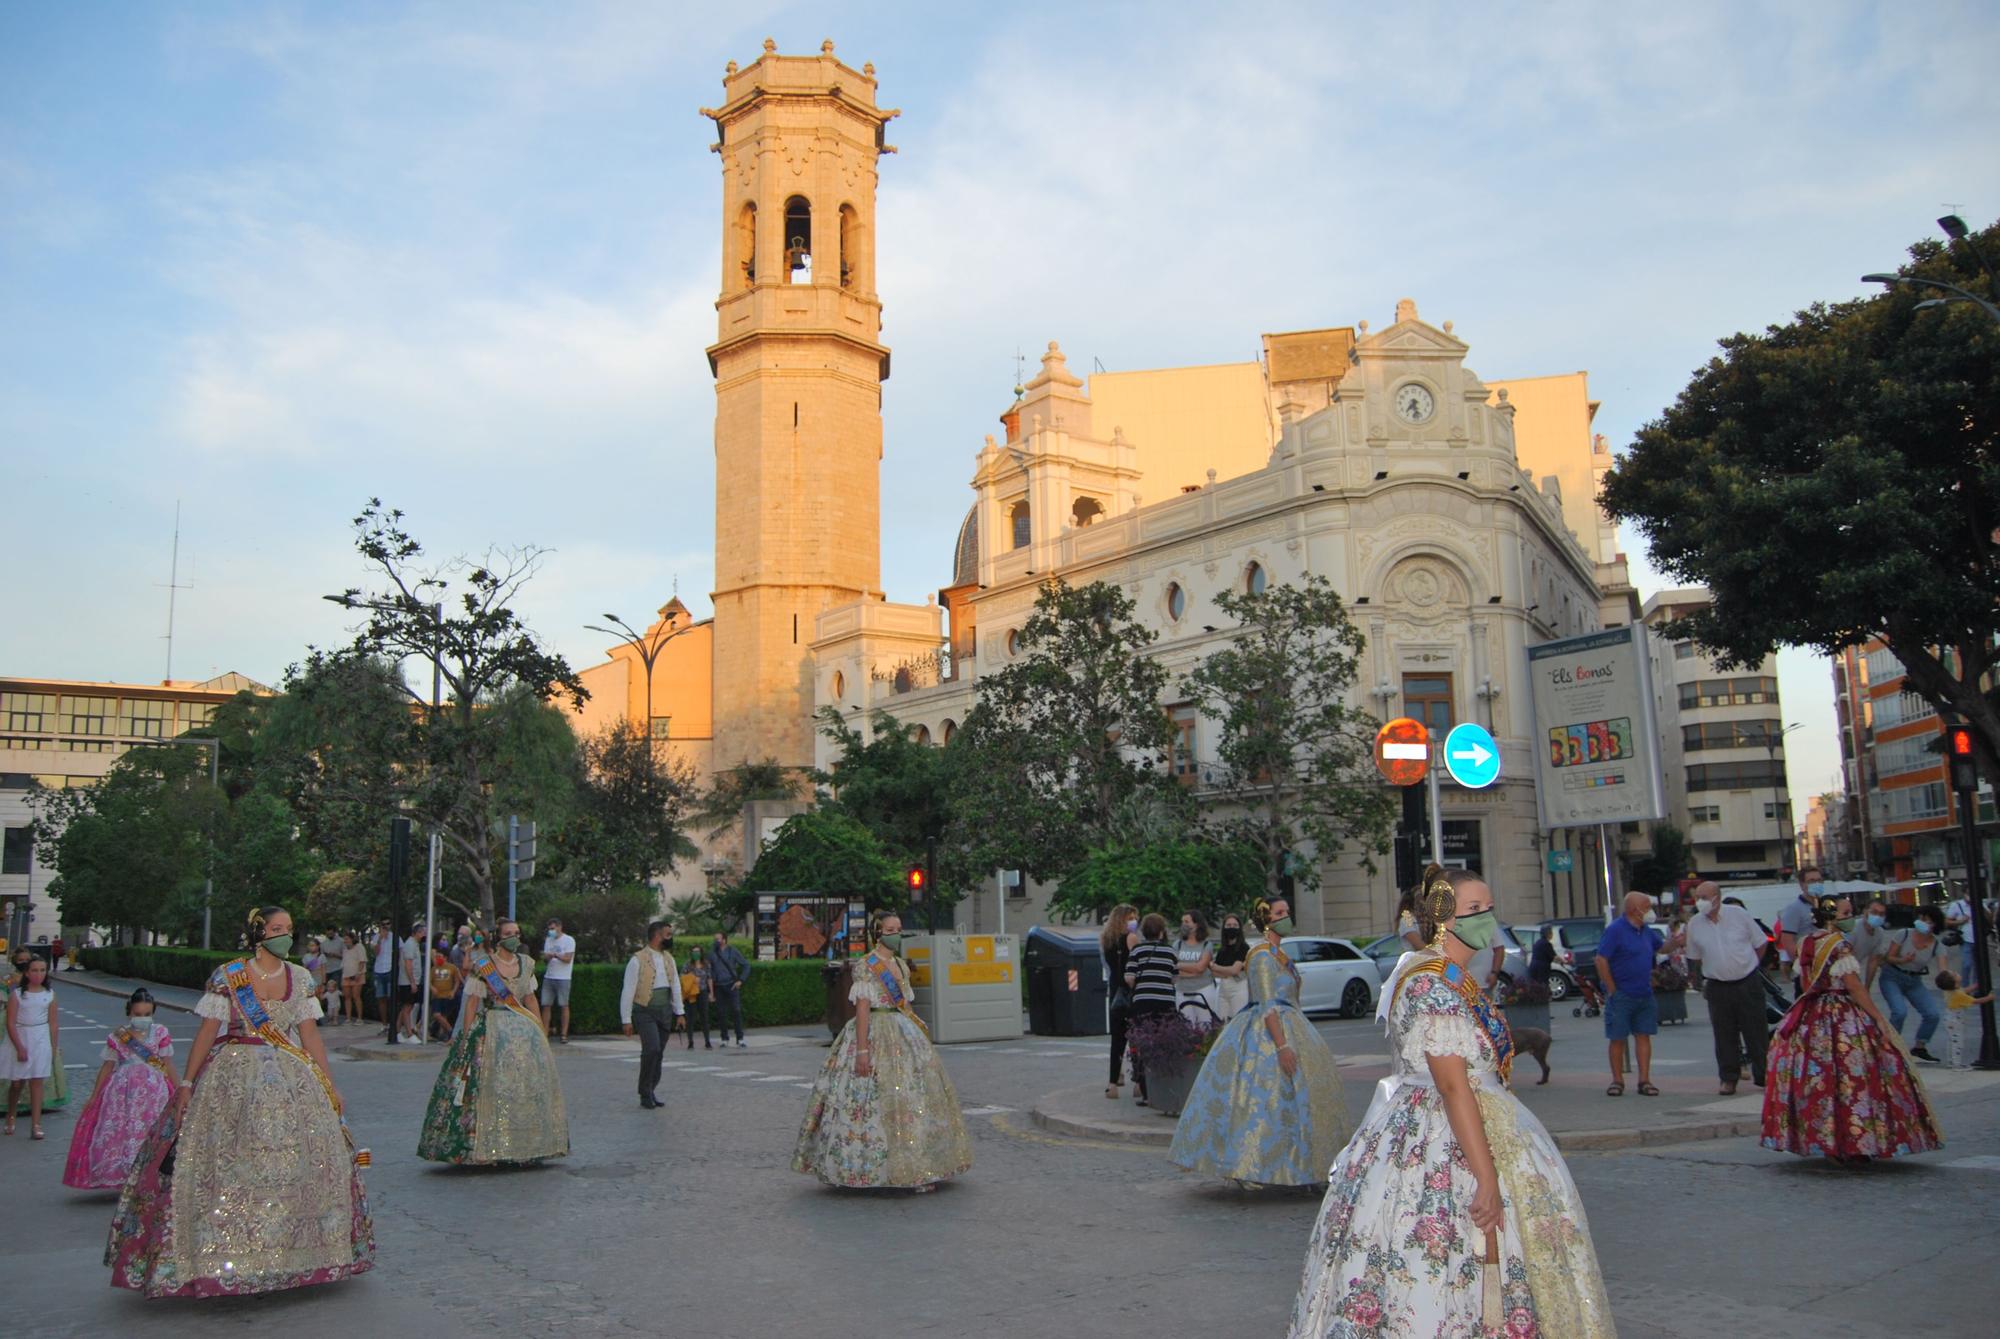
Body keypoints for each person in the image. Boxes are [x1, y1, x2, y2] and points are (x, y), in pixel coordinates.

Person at [1290, 866, 1614, 1337]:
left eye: (1489, 907)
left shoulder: (1448, 976)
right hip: (1439, 1135)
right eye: (1474, 910)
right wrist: (1485, 1178)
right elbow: (1453, 1086)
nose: (1487, 918)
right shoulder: (1431, 983)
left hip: (1467, 1118)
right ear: (1443, 917)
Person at [108, 906, 374, 1297]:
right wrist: (185, 1082)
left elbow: (310, 1037)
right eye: (277, 928)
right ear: (259, 933)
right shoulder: (229, 976)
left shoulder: (299, 978)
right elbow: (206, 1032)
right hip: (232, 1075)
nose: (286, 935)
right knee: (226, 1163)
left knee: (300, 1163)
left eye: (289, 929)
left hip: (291, 1077)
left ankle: (292, 1251)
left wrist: (329, 1085)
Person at [1170, 896, 1349, 1186]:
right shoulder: (1263, 956)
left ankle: (1300, 1165)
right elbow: (1268, 1005)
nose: (1287, 917)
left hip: (1294, 1025)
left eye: (1288, 911)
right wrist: (1282, 1045)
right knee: (1261, 1101)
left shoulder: (1280, 955)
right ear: (1267, 919)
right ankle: (1255, 1167)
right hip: (1269, 1031)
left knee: (1294, 1104)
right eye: (1280, 913)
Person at [792, 912, 972, 1190]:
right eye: (890, 929)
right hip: (874, 1029)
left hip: (902, 1030)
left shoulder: (900, 964)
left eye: (899, 928)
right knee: (865, 1100)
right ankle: (859, 1168)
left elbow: (905, 1004)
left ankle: (919, 1165)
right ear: (878, 932)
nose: (896, 933)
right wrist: (862, 1051)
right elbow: (862, 1008)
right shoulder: (866, 966)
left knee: (913, 1098)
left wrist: (917, 1028)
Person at [1761, 904, 1942, 1165]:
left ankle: (1822, 1138)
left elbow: (1805, 981)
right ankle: (1856, 1139)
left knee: (1815, 1076)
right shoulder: (1839, 945)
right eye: (1845, 914)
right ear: (1832, 918)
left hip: (1812, 1013)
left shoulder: (1807, 942)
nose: (1850, 918)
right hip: (1841, 1012)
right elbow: (1855, 987)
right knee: (1857, 1074)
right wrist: (1878, 1017)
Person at [418, 919, 569, 1165]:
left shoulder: (526, 964)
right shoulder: (484, 965)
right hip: (490, 1028)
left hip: (523, 1032)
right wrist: (466, 1037)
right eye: (509, 934)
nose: (514, 938)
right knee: (487, 1085)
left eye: (517, 933)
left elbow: (529, 999)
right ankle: (485, 1148)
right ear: (497, 937)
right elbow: (472, 1003)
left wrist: (540, 1029)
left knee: (523, 1088)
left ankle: (525, 1146)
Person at [64, 988, 177, 1189]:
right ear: (129, 1013)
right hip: (122, 1092)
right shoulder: (118, 1036)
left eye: (147, 1014)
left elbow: (167, 1064)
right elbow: (107, 1066)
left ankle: (148, 1173)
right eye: (138, 1014)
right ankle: (125, 1174)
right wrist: (94, 1095)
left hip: (153, 1092)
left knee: (150, 1129)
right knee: (123, 1131)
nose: (142, 1018)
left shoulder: (160, 1032)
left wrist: (179, 1089)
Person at [1682, 879, 1770, 1095]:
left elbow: (1761, 943)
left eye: (1704, 897)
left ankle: (1765, 1075)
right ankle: (1729, 1078)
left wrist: (1750, 965)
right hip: (1718, 985)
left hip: (1747, 981)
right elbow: (1694, 956)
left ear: (1716, 898)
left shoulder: (1739, 915)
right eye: (1697, 898)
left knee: (1756, 1032)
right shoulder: (1695, 923)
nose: (1700, 902)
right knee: (1724, 1035)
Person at [1594, 891, 1676, 1097]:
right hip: (1622, 994)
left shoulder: (1646, 931)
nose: (1650, 911)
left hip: (1644, 993)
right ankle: (1617, 1080)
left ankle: (1644, 1080)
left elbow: (1662, 948)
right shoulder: (1615, 931)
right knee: (1617, 1038)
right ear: (1634, 909)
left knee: (1644, 1036)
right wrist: (1612, 989)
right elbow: (1601, 959)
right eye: (1647, 906)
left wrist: (1676, 942)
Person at [620, 920, 686, 1109]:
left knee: (659, 1053)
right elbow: (628, 990)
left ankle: (651, 1089)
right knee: (651, 1049)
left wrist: (679, 1012)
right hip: (644, 1010)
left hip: (664, 1010)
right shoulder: (637, 959)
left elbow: (675, 986)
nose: (670, 938)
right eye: (668, 934)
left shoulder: (669, 959)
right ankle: (644, 1091)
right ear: (657, 936)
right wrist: (626, 1019)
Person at [1123, 913, 1181, 1107]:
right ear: (1162, 931)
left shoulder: (1137, 951)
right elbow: (1174, 978)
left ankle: (1146, 1092)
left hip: (1143, 1003)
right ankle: (1165, 1087)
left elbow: (1129, 978)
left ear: (1144, 931)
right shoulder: (1170, 951)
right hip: (1165, 1003)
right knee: (1164, 1044)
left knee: (1143, 1045)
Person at [2, 953, 59, 1138]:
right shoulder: (18, 995)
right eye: (34, 970)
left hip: (40, 1038)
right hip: (21, 1036)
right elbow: (10, 1023)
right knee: (17, 1083)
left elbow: (53, 1023)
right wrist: (19, 1047)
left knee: (37, 1081)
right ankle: (11, 1114)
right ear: (27, 973)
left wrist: (53, 1048)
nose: (38, 974)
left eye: (42, 970)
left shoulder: (50, 994)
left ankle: (36, 1124)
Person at [1880, 907, 1947, 1063]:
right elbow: (1889, 957)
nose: (1923, 923)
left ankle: (1920, 1046)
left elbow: (1943, 968)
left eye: (1928, 921)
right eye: (1921, 919)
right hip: (1892, 976)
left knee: (1932, 1014)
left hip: (1914, 980)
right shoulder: (1903, 934)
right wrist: (1902, 960)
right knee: (1899, 1011)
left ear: (1935, 925)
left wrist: (1947, 980)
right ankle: (1889, 1046)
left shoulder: (1937, 945)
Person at [1101, 904, 1139, 1098]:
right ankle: (1139, 1083)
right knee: (1135, 1037)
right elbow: (1135, 962)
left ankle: (1112, 1083)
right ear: (1122, 919)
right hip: (1131, 991)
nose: (1134, 921)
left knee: (1117, 1039)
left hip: (1115, 991)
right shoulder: (1131, 938)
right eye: (1130, 918)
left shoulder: (1106, 939)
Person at [1775, 868, 1822, 996]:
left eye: (1819, 880)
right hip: (1807, 970)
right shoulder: (1794, 909)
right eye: (1811, 881)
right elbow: (1787, 939)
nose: (1816, 884)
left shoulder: (1825, 905)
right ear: (1802, 885)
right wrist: (1801, 965)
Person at [1935, 971, 1994, 1069]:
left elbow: (1964, 990)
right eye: (1954, 974)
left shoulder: (1950, 991)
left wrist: (1976, 985)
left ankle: (1951, 1061)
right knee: (1958, 1042)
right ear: (1954, 981)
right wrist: (1989, 997)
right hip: (1956, 1021)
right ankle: (1957, 1064)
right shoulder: (1958, 995)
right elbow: (1975, 1001)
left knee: (1951, 1041)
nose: (1956, 972)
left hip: (1949, 1020)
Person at [709, 931, 751, 1048]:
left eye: (718, 939)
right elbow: (710, 972)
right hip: (718, 986)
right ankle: (724, 1038)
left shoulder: (733, 951)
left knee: (736, 1010)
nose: (716, 941)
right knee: (721, 1013)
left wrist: (740, 980)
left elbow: (746, 965)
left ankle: (740, 1038)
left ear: (724, 940)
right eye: (715, 939)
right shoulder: (712, 953)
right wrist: (711, 991)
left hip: (731, 984)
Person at [539, 917, 577, 1044]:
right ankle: (544, 1032)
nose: (551, 931)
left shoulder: (568, 940)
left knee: (563, 1005)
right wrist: (548, 957)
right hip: (549, 976)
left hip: (563, 977)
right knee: (546, 1005)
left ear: (560, 927)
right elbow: (545, 958)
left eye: (553, 928)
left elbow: (567, 958)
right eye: (549, 929)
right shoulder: (549, 940)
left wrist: (555, 955)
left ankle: (564, 1034)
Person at [1843, 899, 1893, 990]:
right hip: (1841, 969)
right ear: (1865, 911)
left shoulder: (1879, 933)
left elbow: (1873, 961)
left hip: (1852, 969)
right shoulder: (1852, 928)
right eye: (1874, 912)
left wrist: (1867, 987)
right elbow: (1845, 956)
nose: (1877, 916)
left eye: (1881, 914)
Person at [1174, 911, 1217, 1015]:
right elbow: (1173, 968)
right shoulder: (1177, 944)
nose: (1183, 924)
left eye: (1187, 921)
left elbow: (1201, 968)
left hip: (1203, 990)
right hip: (1182, 991)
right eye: (1182, 922)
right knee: (1186, 1027)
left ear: (1196, 924)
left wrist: (1180, 966)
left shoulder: (1206, 945)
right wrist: (1193, 971)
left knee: (1205, 1027)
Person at [1211, 913, 1251, 1020]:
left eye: (1235, 925)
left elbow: (1234, 970)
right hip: (1223, 989)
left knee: (1238, 1021)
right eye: (1228, 925)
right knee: (1222, 1023)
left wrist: (1215, 967)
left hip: (1238, 987)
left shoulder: (1243, 947)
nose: (1231, 928)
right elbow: (1213, 973)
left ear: (1239, 928)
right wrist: (1221, 970)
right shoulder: (1222, 949)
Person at [397, 921, 427, 1042]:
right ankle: (409, 1033)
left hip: (413, 980)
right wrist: (412, 982)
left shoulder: (415, 944)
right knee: (407, 1007)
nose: (424, 935)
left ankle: (397, 1030)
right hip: (408, 982)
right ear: (417, 933)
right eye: (423, 932)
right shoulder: (410, 944)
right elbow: (408, 964)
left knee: (407, 1006)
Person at [426, 946, 463, 1041]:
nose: (438, 958)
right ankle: (450, 1030)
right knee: (437, 1015)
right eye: (437, 956)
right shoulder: (434, 969)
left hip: (447, 996)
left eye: (440, 956)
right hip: (437, 996)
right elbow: (429, 981)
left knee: (444, 1015)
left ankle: (444, 1034)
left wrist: (453, 991)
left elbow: (457, 981)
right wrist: (432, 988)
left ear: (445, 958)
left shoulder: (452, 968)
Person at [1943, 889, 1977, 983]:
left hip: (1979, 939)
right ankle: (1965, 986)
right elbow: (1947, 921)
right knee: (1967, 964)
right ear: (1964, 894)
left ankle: (1976, 988)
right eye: (1968, 894)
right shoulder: (1957, 905)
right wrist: (1960, 921)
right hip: (1965, 938)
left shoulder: (1979, 903)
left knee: (1978, 966)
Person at [685, 946, 715, 1049]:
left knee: (704, 1017)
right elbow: (682, 977)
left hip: (702, 992)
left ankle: (707, 1041)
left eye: (697, 952)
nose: (695, 954)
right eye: (693, 952)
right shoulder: (688, 964)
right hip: (692, 993)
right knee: (690, 1017)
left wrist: (711, 993)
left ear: (701, 953)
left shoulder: (706, 964)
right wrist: (692, 979)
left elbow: (709, 978)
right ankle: (690, 1041)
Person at [369, 920, 396, 1030]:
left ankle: (393, 1023)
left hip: (390, 969)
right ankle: (384, 1024)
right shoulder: (376, 938)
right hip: (379, 970)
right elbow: (376, 953)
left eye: (388, 924)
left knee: (391, 997)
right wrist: (380, 939)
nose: (385, 926)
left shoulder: (395, 937)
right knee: (381, 998)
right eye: (383, 924)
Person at [339, 930, 366, 1028]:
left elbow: (362, 961)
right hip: (346, 975)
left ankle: (359, 1018)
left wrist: (359, 973)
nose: (345, 941)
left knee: (356, 996)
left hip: (357, 975)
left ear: (352, 939)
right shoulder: (345, 949)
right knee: (347, 997)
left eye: (346, 939)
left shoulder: (359, 947)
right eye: (344, 939)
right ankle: (348, 1018)